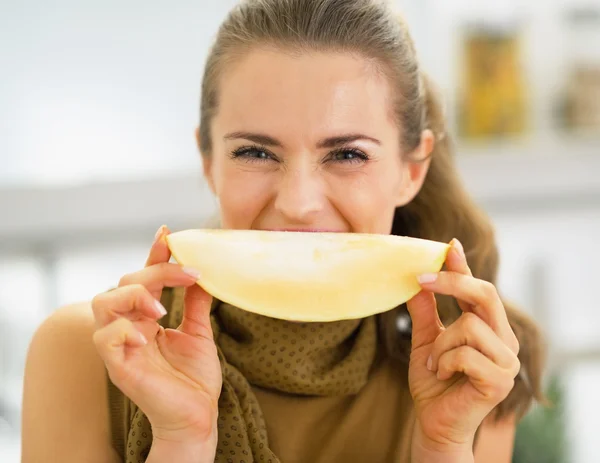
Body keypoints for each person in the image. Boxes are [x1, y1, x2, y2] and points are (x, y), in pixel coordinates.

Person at [21, 0, 547, 462]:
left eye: (347, 154)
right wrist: (182, 439)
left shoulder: (475, 371)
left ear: (412, 169)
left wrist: (444, 448)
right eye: (254, 152)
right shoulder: (86, 355)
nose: (297, 204)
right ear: (208, 162)